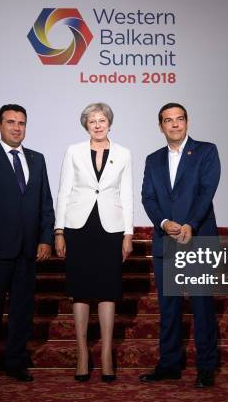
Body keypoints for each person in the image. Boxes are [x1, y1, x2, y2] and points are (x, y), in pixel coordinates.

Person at [0, 104, 55, 387]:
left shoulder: (37, 159)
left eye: (21, 123)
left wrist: (46, 239)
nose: (17, 127)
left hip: (28, 251)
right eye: (11, 122)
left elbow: (45, 205)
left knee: (22, 311)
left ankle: (16, 362)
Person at [140, 102, 220, 388]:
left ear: (187, 122)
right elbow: (148, 197)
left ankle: (206, 366)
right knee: (169, 307)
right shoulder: (153, 159)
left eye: (180, 119)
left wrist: (190, 224)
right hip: (166, 241)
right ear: (160, 126)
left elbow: (206, 191)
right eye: (168, 120)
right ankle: (169, 365)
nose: (175, 124)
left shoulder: (206, 151)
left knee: (201, 305)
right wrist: (163, 223)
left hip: (197, 238)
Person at [54, 102, 133, 383]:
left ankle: (107, 355)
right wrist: (59, 231)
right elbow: (64, 191)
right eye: (92, 121)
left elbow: (127, 194)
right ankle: (82, 354)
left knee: (108, 290)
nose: (97, 125)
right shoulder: (73, 151)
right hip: (79, 227)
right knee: (81, 290)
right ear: (85, 125)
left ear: (109, 122)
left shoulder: (123, 153)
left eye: (101, 120)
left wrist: (128, 234)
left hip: (111, 228)